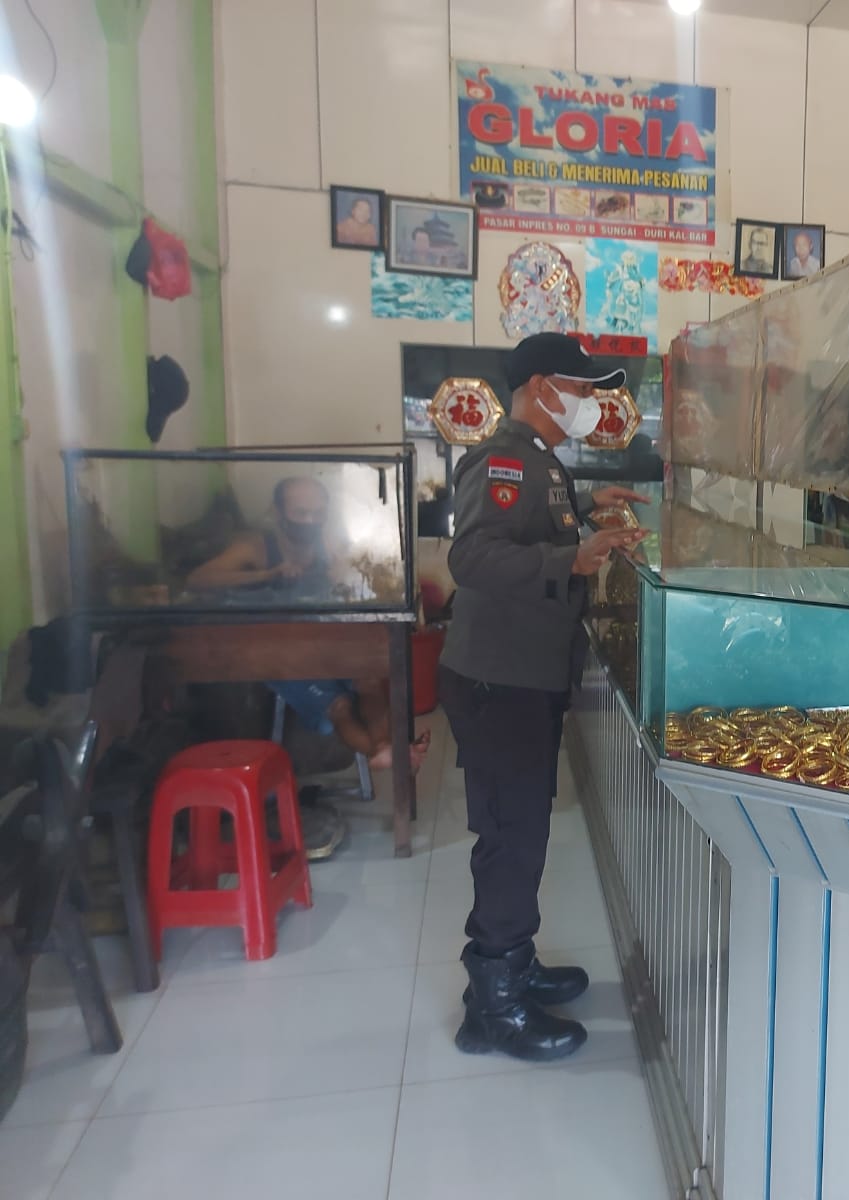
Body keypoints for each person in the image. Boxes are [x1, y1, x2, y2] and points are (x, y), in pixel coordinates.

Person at [438, 332, 649, 1063]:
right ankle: (493, 1007)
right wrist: (573, 556)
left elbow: (531, 521)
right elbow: (472, 555)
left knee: (523, 830)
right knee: (511, 837)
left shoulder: (538, 459)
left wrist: (587, 507)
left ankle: (515, 966)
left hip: (524, 675)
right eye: (581, 389)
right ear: (539, 387)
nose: (590, 402)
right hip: (500, 681)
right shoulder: (502, 458)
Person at [186, 477, 431, 778]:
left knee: (369, 680)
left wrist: (346, 572)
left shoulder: (327, 543)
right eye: (300, 513)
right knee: (339, 705)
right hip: (281, 653)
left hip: (327, 644)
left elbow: (356, 582)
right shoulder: (257, 546)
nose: (310, 521)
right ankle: (381, 752)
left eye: (318, 513)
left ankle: (382, 749)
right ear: (278, 512)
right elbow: (199, 579)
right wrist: (268, 575)